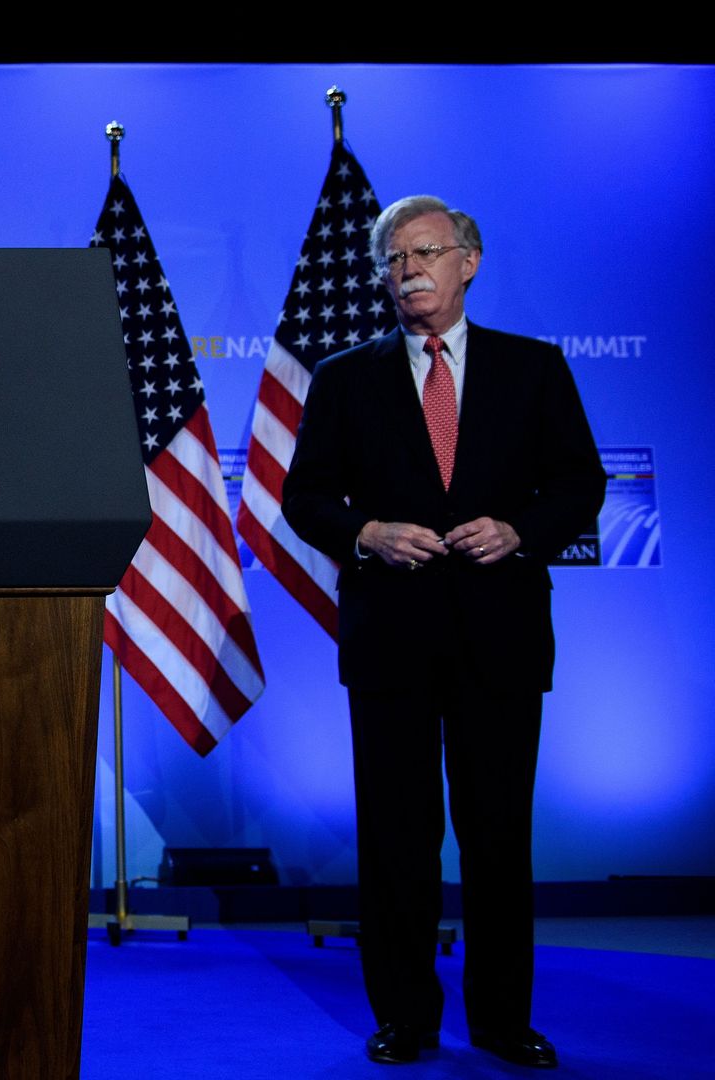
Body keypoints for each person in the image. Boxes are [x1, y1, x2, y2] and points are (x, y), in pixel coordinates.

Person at [282, 195, 603, 1069]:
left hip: (500, 637)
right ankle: (407, 1018)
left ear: (470, 260)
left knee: (498, 837)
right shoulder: (346, 376)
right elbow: (303, 496)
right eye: (392, 259)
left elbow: (581, 484)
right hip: (391, 638)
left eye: (425, 253)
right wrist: (367, 534)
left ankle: (503, 1020)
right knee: (397, 837)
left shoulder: (533, 369)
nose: (407, 270)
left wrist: (519, 531)